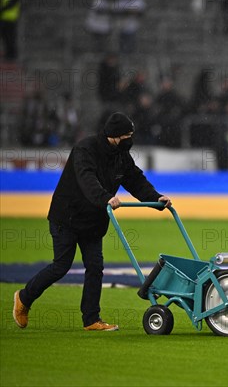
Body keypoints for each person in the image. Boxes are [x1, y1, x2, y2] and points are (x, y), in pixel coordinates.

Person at [13, 112, 172, 331]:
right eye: (127, 135)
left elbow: (136, 181)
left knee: (95, 267)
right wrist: (105, 197)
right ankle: (23, 297)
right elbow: (87, 179)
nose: (130, 139)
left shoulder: (121, 156)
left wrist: (156, 198)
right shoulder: (85, 150)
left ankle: (91, 319)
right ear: (114, 136)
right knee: (61, 266)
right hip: (67, 217)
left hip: (93, 221)